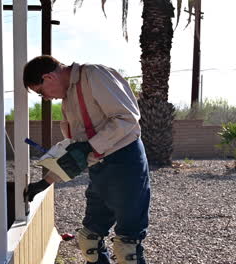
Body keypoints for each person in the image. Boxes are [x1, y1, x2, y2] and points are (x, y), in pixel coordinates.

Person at [22, 55, 150, 264]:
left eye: (40, 91)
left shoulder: (94, 75)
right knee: (89, 241)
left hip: (126, 164)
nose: (45, 98)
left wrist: (89, 145)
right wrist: (45, 182)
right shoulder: (68, 98)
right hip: (99, 170)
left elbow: (127, 119)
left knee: (128, 249)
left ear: (48, 77)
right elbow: (77, 153)